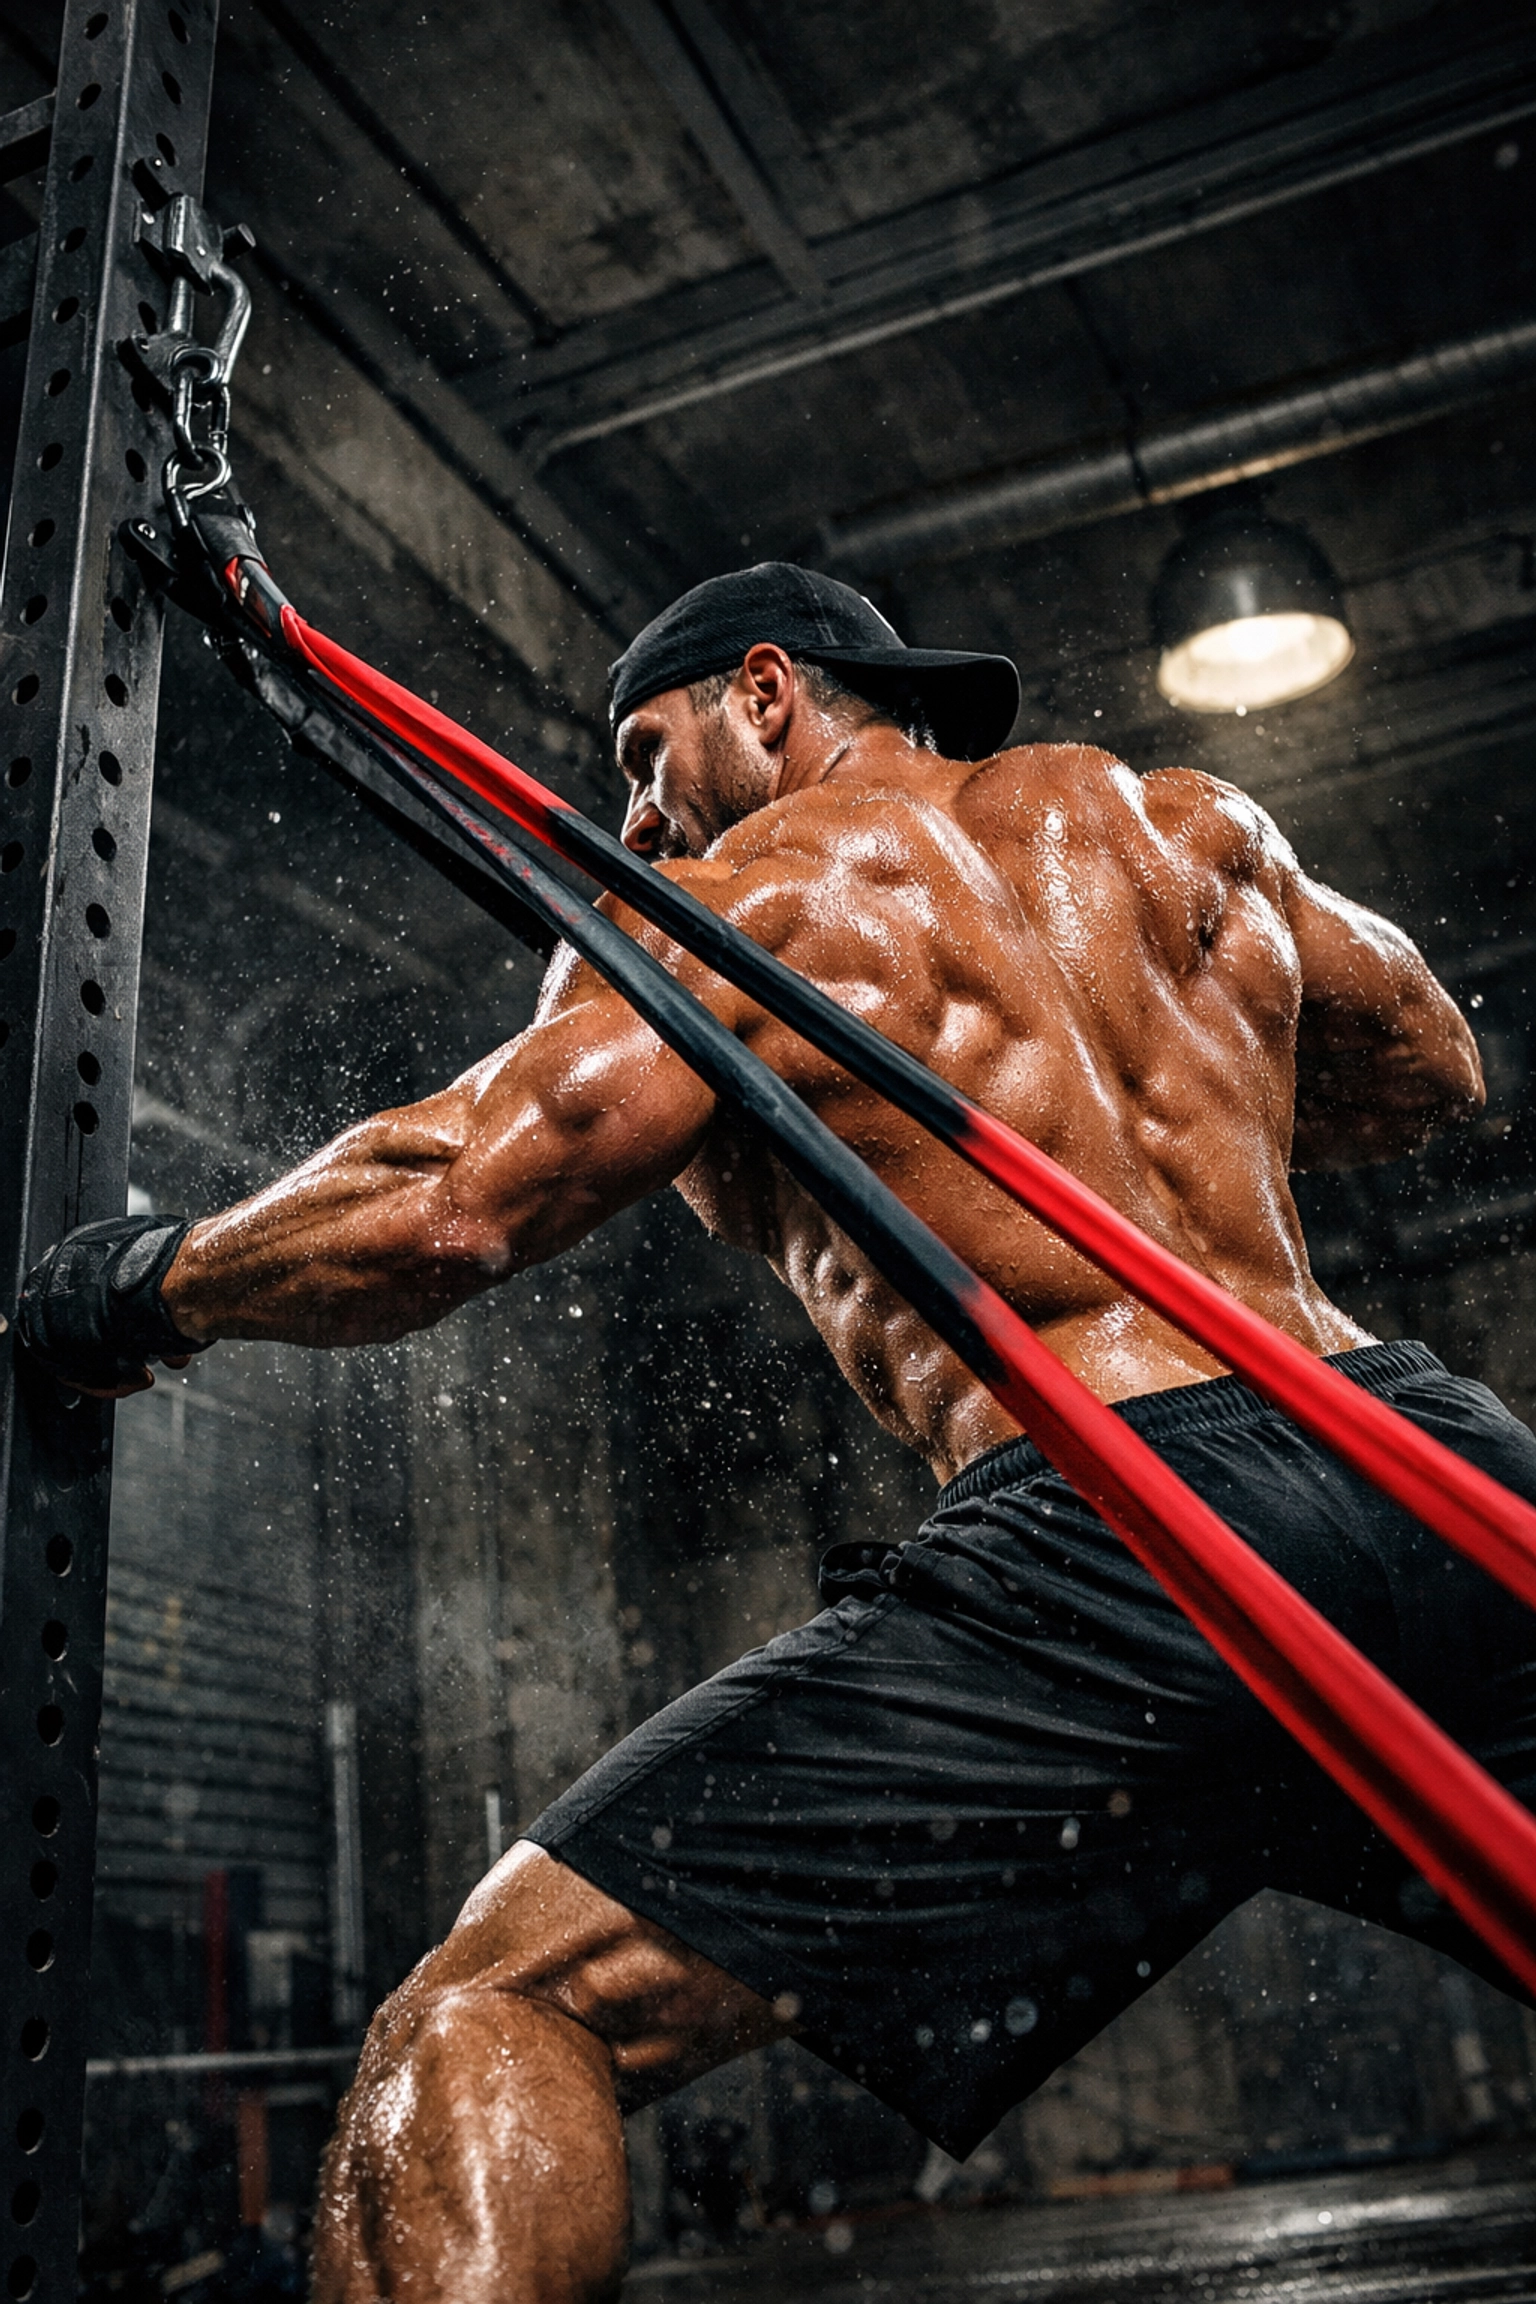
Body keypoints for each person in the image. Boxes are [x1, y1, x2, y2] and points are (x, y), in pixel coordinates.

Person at [20, 564, 1536, 2304]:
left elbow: (450, 1206)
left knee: (496, 2015)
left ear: (766, 697)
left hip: (1126, 1540)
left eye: (648, 756)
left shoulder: (754, 900)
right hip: (1426, 1475)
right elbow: (1430, 1059)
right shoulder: (1189, 825)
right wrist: (1191, 1128)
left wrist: (141, 1288)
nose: (639, 814)